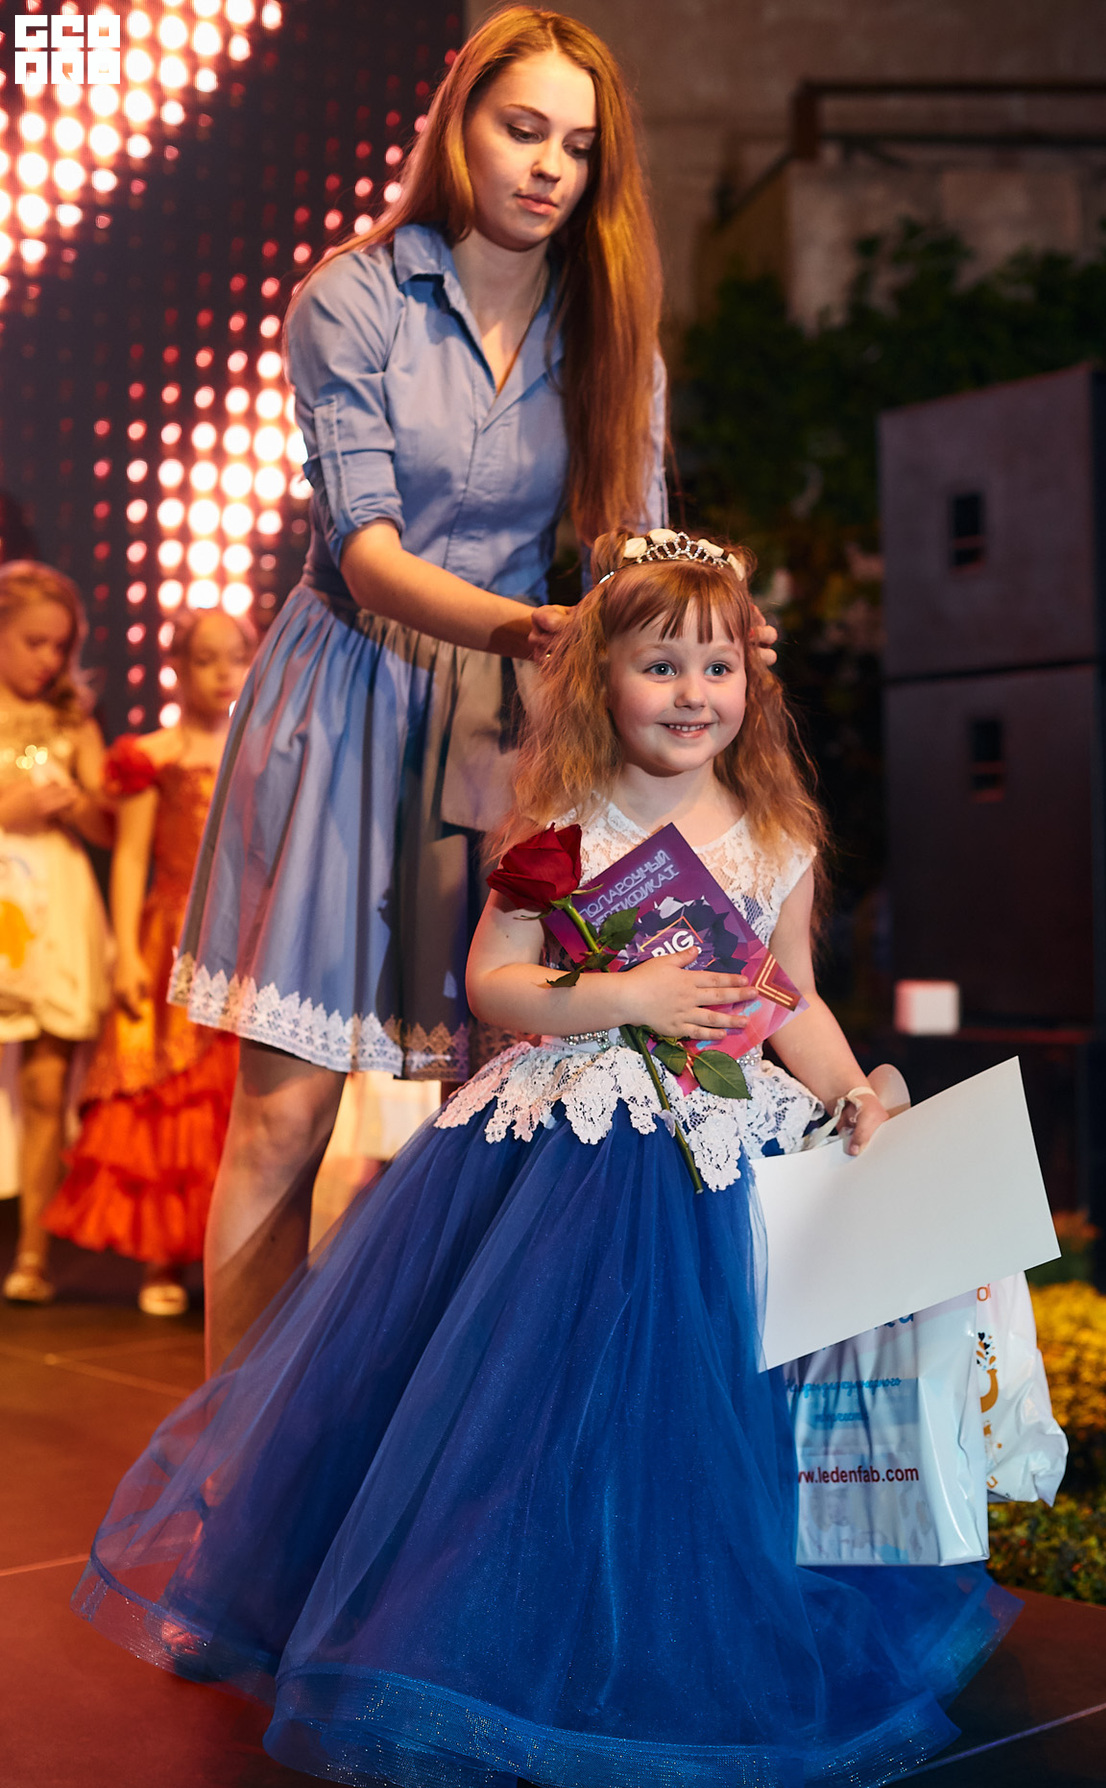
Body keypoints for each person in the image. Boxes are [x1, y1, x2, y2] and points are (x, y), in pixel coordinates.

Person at [73, 531, 1018, 1788]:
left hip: (720, 1150)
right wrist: (626, 996)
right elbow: (493, 981)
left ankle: (663, 1643)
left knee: (699, 1425)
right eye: (659, 665)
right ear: (599, 679)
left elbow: (786, 994)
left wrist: (853, 1089)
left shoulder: (775, 833)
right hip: (567, 1145)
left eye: (717, 666)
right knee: (534, 1406)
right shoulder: (564, 826)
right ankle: (482, 1649)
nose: (692, 693)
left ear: (752, 680)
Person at [170, 6, 698, 1373]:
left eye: (577, 146)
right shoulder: (352, 297)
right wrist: (542, 630)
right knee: (287, 1114)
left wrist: (695, 624)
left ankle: (443, 1459)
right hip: (351, 695)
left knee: (508, 1103)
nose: (548, 167)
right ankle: (234, 1469)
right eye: (522, 129)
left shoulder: (613, 335)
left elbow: (634, 554)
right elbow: (368, 552)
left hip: (517, 733)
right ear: (457, 123)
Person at [43, 611, 253, 1317]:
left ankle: (232, 1261)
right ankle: (163, 1259)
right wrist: (127, 954)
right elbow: (131, 858)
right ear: (178, 668)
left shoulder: (258, 753)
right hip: (173, 933)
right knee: (172, 1095)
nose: (221, 673)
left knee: (233, 1100)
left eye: (235, 658)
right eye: (205, 659)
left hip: (241, 938)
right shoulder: (151, 757)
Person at [0, 561, 112, 1305]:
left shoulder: (75, 722)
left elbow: (110, 824)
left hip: (54, 910)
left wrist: (74, 805)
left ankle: (32, 1253)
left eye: (59, 646)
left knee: (46, 1084)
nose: (47, 659)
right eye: (33, 642)